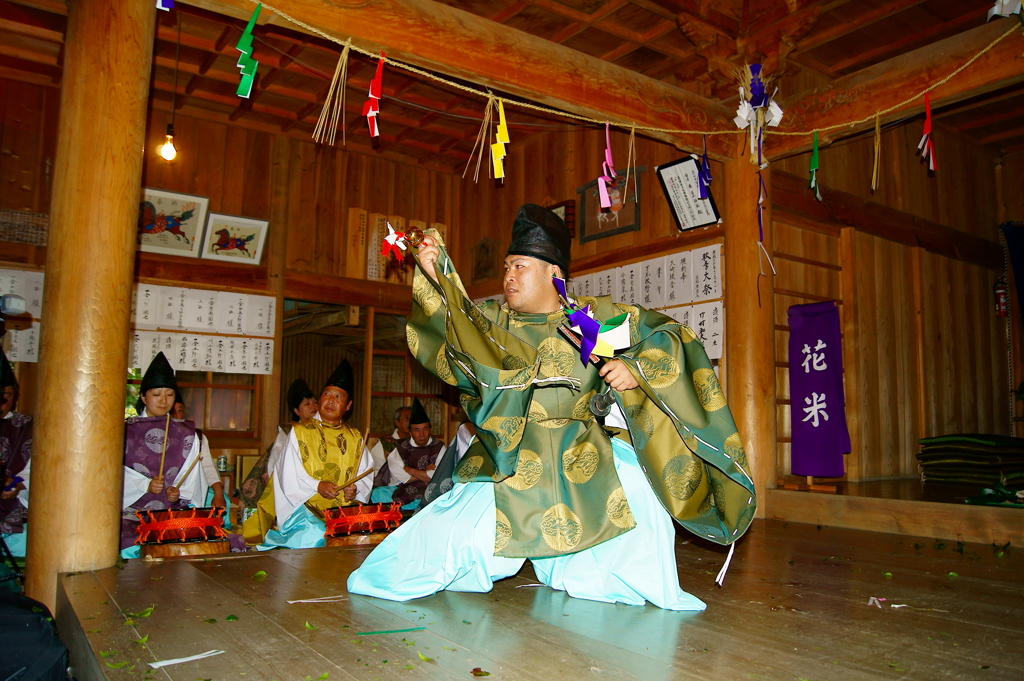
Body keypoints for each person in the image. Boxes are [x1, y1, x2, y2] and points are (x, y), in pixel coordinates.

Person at [348, 204, 756, 611]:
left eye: (520, 266)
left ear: (553, 274)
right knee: (451, 541)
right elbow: (453, 329)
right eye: (506, 266)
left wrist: (636, 367)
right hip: (511, 452)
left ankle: (603, 576)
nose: (508, 275)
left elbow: (671, 334)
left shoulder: (590, 321)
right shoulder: (493, 321)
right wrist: (439, 276)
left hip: (585, 446)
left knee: (639, 498)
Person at [242, 360, 373, 549]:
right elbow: (286, 475)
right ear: (320, 399)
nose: (331, 400)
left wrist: (356, 489)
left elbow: (365, 473)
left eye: (338, 396)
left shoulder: (356, 438)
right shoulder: (300, 432)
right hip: (303, 509)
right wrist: (317, 485)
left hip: (343, 510)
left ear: (348, 405)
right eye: (327, 394)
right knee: (318, 534)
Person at [121, 352, 207, 556]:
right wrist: (144, 484)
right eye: (156, 394)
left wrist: (178, 492)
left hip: (171, 512)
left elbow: (191, 474)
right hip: (130, 512)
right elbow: (111, 471)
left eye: (169, 394)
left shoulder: (186, 433)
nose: (163, 401)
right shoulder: (125, 431)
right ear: (143, 396)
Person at [239, 378, 318, 509]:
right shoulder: (288, 433)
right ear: (296, 411)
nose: (313, 406)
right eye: (307, 404)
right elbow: (273, 465)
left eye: (315, 403)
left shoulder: (324, 431)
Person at [382, 398, 444, 508]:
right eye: (417, 430)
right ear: (410, 432)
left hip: (431, 491)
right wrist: (424, 472)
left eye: (425, 429)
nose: (422, 434)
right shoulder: (401, 449)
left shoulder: (440, 447)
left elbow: (437, 476)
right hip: (404, 490)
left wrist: (411, 470)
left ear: (430, 429)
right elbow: (403, 478)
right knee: (379, 494)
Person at [0, 349, 31, 557]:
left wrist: (16, 484)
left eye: (5, 396)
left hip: (11, 513)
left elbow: (37, 469)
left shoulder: (25, 426)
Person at [172, 394, 225, 510]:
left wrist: (218, 494)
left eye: (179, 411)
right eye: (171, 411)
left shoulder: (196, 437)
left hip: (192, 497)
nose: (175, 415)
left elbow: (208, 467)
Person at [368, 405, 411, 486]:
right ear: (396, 422)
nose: (410, 421)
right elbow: (378, 472)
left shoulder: (418, 442)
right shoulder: (385, 443)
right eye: (406, 418)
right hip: (389, 487)